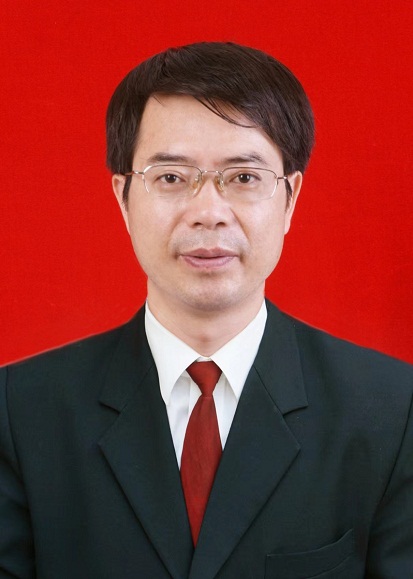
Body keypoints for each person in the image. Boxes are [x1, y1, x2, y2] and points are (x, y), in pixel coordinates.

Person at [0, 42, 412, 579]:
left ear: (290, 199)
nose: (209, 212)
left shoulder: (391, 411)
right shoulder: (20, 412)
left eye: (243, 177)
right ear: (123, 199)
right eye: (172, 178)